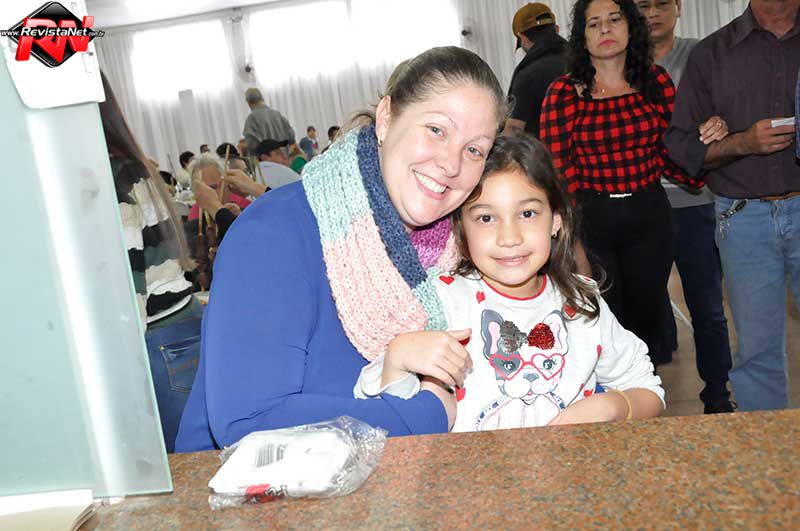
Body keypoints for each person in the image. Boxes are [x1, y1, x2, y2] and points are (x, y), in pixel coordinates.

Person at [175, 46, 507, 452]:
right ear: (386, 118)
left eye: (474, 149)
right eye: (436, 130)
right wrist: (427, 414)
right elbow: (250, 421)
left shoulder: (465, 248)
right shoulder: (275, 233)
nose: (451, 164)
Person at [355, 136, 664, 430]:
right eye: (486, 218)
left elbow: (649, 391)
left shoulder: (582, 303)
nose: (509, 238)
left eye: (527, 213)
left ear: (556, 220)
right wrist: (399, 356)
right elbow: (386, 417)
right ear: (460, 229)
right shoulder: (439, 303)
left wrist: (613, 406)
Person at [539, 0, 706, 371]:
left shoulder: (656, 81)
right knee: (604, 320)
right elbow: (558, 173)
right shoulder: (563, 92)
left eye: (614, 19)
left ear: (631, 26)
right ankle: (612, 397)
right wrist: (572, 240)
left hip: (649, 214)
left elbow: (672, 151)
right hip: (591, 217)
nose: (605, 30)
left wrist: (707, 154)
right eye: (594, 23)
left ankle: (646, 390)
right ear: (582, 36)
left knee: (648, 317)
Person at [664, 0, 799, 412]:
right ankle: (767, 448)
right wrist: (742, 142)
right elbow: (681, 146)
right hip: (743, 217)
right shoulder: (712, 54)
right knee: (757, 352)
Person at [635, 0, 735, 413]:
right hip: (642, 203)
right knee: (641, 311)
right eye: (642, 5)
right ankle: (644, 396)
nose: (653, 13)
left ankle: (717, 394)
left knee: (707, 308)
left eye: (662, 3)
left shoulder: (701, 54)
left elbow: (730, 108)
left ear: (678, 8)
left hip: (696, 201)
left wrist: (723, 123)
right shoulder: (617, 63)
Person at [99, 72, 202, 453]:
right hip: (178, 327)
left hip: (162, 336)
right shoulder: (128, 165)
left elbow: (131, 282)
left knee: (180, 467)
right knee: (193, 461)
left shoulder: (113, 175)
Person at [503, 2, 567, 138]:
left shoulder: (526, 75)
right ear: (556, 29)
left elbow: (514, 130)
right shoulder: (582, 60)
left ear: (523, 38)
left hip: (545, 150)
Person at [242, 87, 295, 156]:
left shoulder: (251, 118)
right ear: (262, 98)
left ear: (248, 102)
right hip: (284, 157)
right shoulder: (277, 114)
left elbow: (251, 144)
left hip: (266, 158)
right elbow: (291, 136)